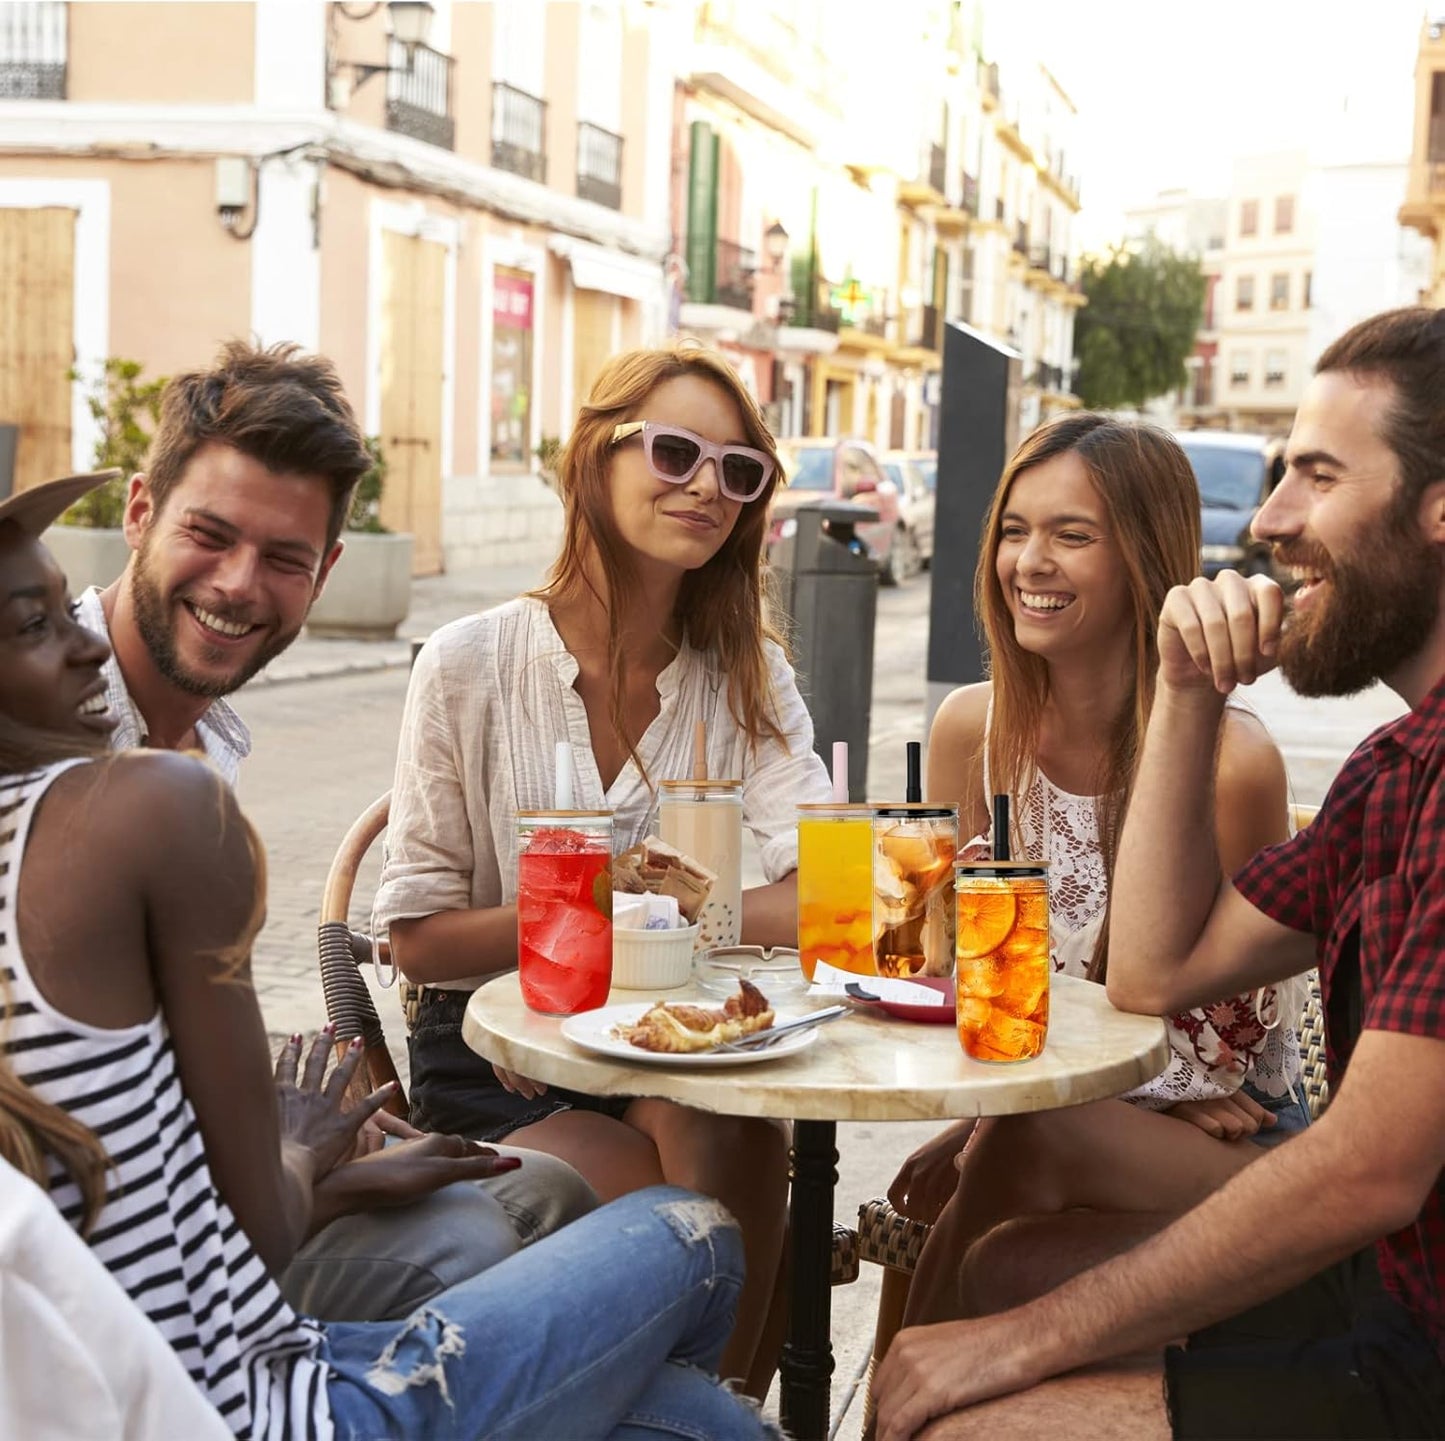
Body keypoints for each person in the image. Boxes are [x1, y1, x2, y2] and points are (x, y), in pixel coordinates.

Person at [0, 479, 776, 1440]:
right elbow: (250, 1224)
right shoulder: (148, 806)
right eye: (36, 625)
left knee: (706, 1422)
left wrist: (321, 1162)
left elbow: (136, 1192)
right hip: (263, 1401)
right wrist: (296, 1152)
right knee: (694, 1239)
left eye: (287, 556)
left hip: (219, 1351)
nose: (86, 639)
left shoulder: (48, 835)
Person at [874, 307, 1445, 1441]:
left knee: (975, 1378)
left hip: (1400, 1326)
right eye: (1278, 475)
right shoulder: (1388, 770)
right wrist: (1184, 685)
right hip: (1381, 1288)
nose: (1270, 519)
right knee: (999, 1255)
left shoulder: (1295, 764)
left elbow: (1365, 1166)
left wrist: (1018, 1343)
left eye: (1315, 476)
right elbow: (1151, 972)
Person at [73, 340, 600, 1318]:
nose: (238, 584)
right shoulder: (58, 722)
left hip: (201, 1200)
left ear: (325, 574)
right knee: (567, 1237)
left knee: (559, 1195)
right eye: (210, 534)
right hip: (111, 1281)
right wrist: (309, 1167)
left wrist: (326, 1143)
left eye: (283, 558)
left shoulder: (204, 744)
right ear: (138, 511)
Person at [375, 342, 834, 1391]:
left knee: (730, 1130)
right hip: (499, 1046)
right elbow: (420, 936)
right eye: (674, 452)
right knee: (639, 1172)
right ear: (595, 458)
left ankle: (715, 1410)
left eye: (738, 470)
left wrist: (637, 923)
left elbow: (826, 896)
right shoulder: (469, 663)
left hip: (683, 1037)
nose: (705, 486)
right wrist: (616, 886)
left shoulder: (747, 679)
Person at [889, 414, 1306, 1329]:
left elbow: (1221, 1052)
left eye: (1071, 535)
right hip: (1068, 1109)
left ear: (1144, 560)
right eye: (1013, 529)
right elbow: (962, 984)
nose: (1028, 561)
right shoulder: (973, 729)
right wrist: (972, 1122)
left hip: (1247, 1146)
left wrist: (1024, 1113)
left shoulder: (1230, 761)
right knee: (946, 1180)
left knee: (1018, 1144)